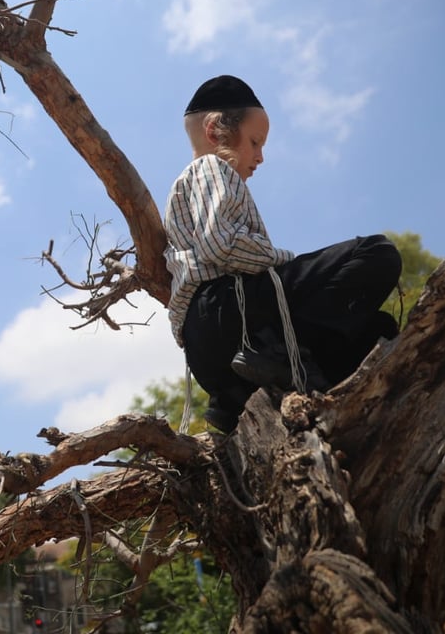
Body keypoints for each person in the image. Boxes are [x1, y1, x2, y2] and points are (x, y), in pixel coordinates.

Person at [164, 75, 401, 433]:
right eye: (255, 142)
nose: (260, 157)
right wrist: (285, 259)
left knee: (378, 329)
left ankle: (246, 392)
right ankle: (279, 354)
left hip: (212, 358)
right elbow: (220, 244)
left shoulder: (187, 189)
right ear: (216, 131)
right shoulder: (212, 168)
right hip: (228, 313)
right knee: (378, 252)